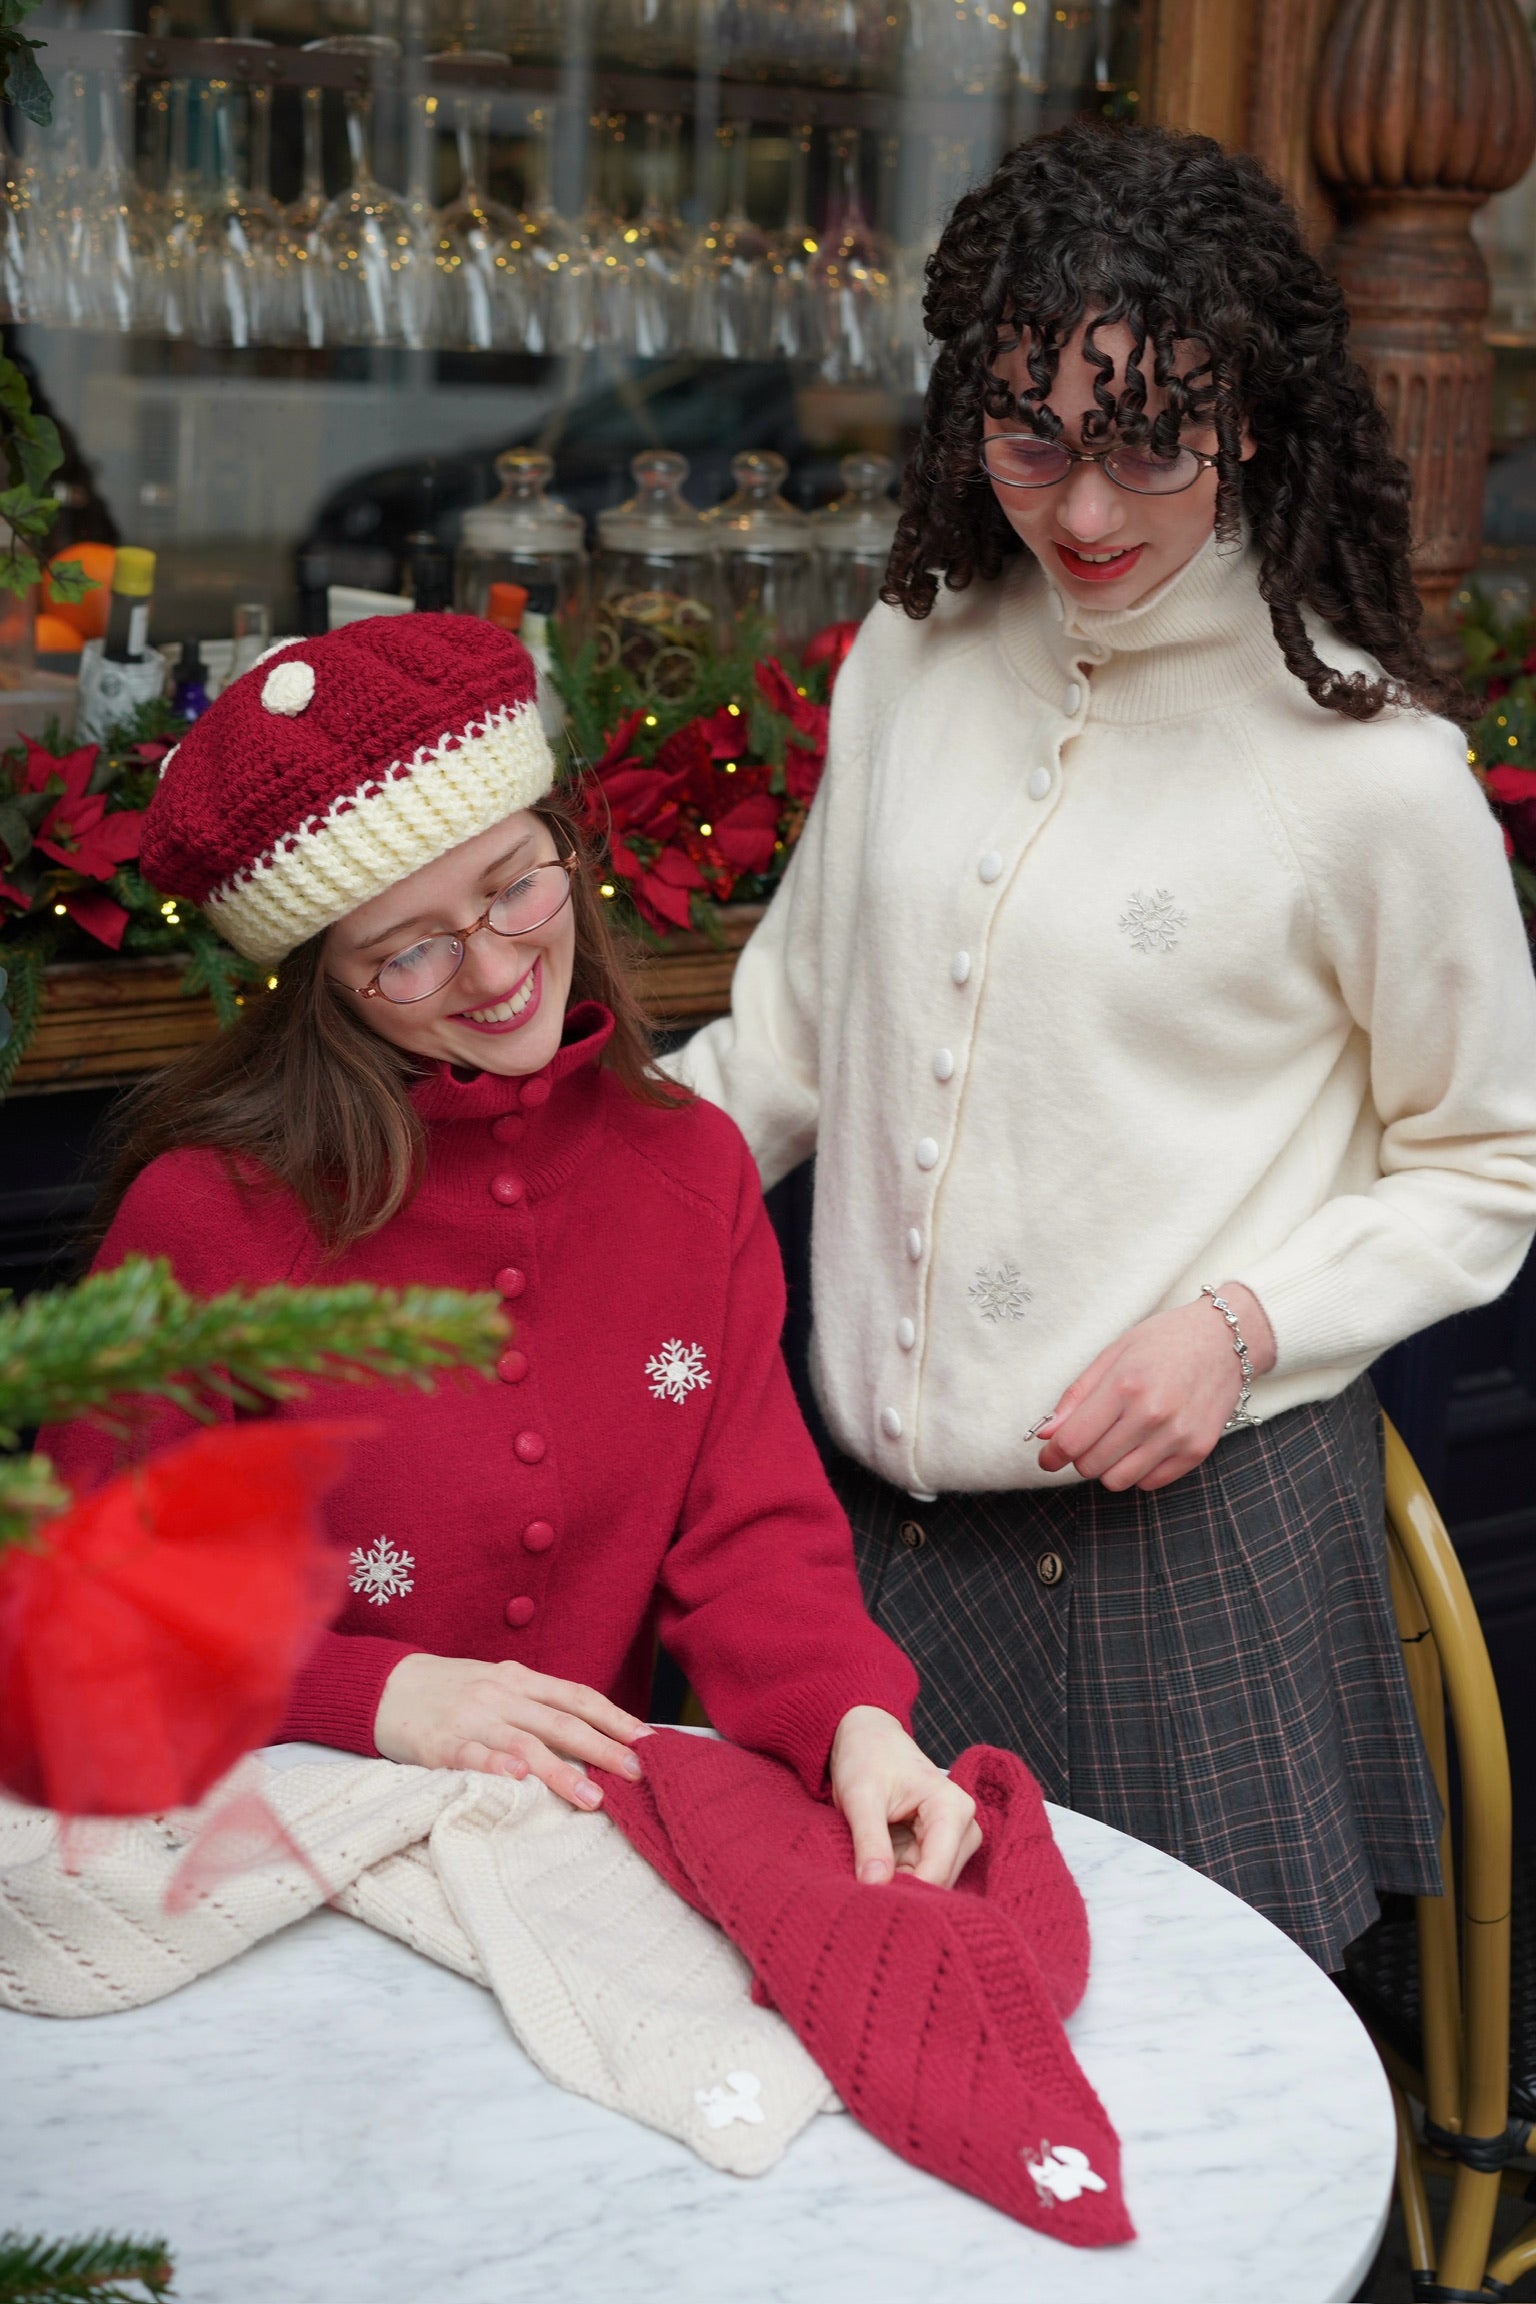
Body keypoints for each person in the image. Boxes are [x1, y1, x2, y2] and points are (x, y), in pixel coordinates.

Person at [662, 122, 1536, 1968]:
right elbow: (786, 1046)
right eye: (1033, 437)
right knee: (856, 2040)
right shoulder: (911, 653)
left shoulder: (1371, 772)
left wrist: (1238, 1328)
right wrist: (526, 1203)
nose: (1081, 513)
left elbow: (1490, 1161)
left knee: (1183, 2079)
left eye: (1150, 444)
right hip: (862, 1540)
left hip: (1183, 1546)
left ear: (1253, 422)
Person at [45, 614, 980, 1891]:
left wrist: (851, 1722)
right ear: (324, 985)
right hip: (261, 1875)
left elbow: (752, 1536)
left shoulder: (693, 1169)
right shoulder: (209, 1219)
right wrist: (378, 1692)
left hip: (567, 1876)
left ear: (562, 847)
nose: (492, 969)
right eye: (409, 952)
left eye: (514, 886)